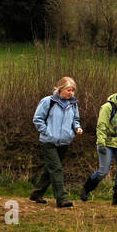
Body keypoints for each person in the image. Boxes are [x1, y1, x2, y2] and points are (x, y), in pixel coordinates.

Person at [30, 76, 84, 208]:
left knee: (51, 169)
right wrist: (46, 131)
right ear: (60, 89)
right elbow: (37, 118)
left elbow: (75, 119)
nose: (71, 93)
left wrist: (77, 128)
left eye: (73, 90)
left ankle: (36, 194)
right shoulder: (48, 101)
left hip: (64, 142)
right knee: (57, 168)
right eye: (68, 90)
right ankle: (62, 198)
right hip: (48, 141)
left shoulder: (73, 104)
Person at [82, 80, 117, 206]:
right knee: (103, 171)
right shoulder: (107, 108)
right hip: (106, 142)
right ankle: (86, 189)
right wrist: (100, 143)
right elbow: (101, 126)